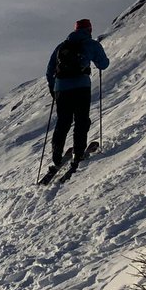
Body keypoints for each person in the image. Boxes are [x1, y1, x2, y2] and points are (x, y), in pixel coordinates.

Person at [45, 18, 110, 175]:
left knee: (63, 122)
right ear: (89, 30)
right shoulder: (91, 44)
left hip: (61, 88)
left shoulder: (62, 46)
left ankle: (56, 155)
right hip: (81, 87)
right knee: (81, 120)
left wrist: (53, 88)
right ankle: (79, 153)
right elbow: (103, 64)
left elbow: (49, 70)